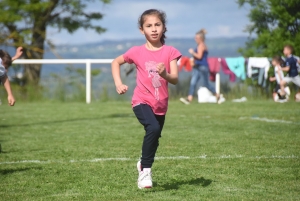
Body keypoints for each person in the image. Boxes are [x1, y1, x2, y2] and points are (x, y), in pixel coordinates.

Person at [111, 9, 181, 189]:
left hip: (161, 104)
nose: (154, 29)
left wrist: (164, 73)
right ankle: (145, 172)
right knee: (153, 127)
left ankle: (142, 162)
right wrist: (119, 83)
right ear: (142, 30)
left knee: (155, 136)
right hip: (141, 101)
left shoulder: (170, 52)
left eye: (157, 25)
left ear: (164, 27)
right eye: (149, 26)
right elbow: (115, 62)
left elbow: (175, 79)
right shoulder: (136, 51)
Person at [180, 29, 219, 105]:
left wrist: (192, 53)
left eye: (196, 38)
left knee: (205, 84)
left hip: (202, 67)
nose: (195, 39)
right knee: (193, 82)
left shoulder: (201, 46)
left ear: (200, 38)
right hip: (198, 66)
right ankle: (189, 98)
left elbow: (200, 56)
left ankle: (217, 95)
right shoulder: (202, 45)